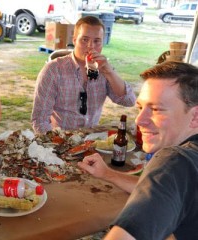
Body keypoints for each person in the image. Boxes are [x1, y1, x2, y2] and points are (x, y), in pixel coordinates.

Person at [79, 61, 198, 239]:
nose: (139, 121)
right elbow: (161, 188)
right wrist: (107, 174)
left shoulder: (175, 160)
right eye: (141, 108)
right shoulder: (185, 168)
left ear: (195, 116)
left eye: (157, 109)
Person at [31, 16, 136, 133]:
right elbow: (40, 120)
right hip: (60, 139)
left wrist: (109, 72)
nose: (91, 46)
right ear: (74, 40)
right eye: (85, 40)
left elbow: (129, 101)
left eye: (97, 41)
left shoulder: (104, 69)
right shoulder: (53, 70)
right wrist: (55, 145)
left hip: (91, 140)